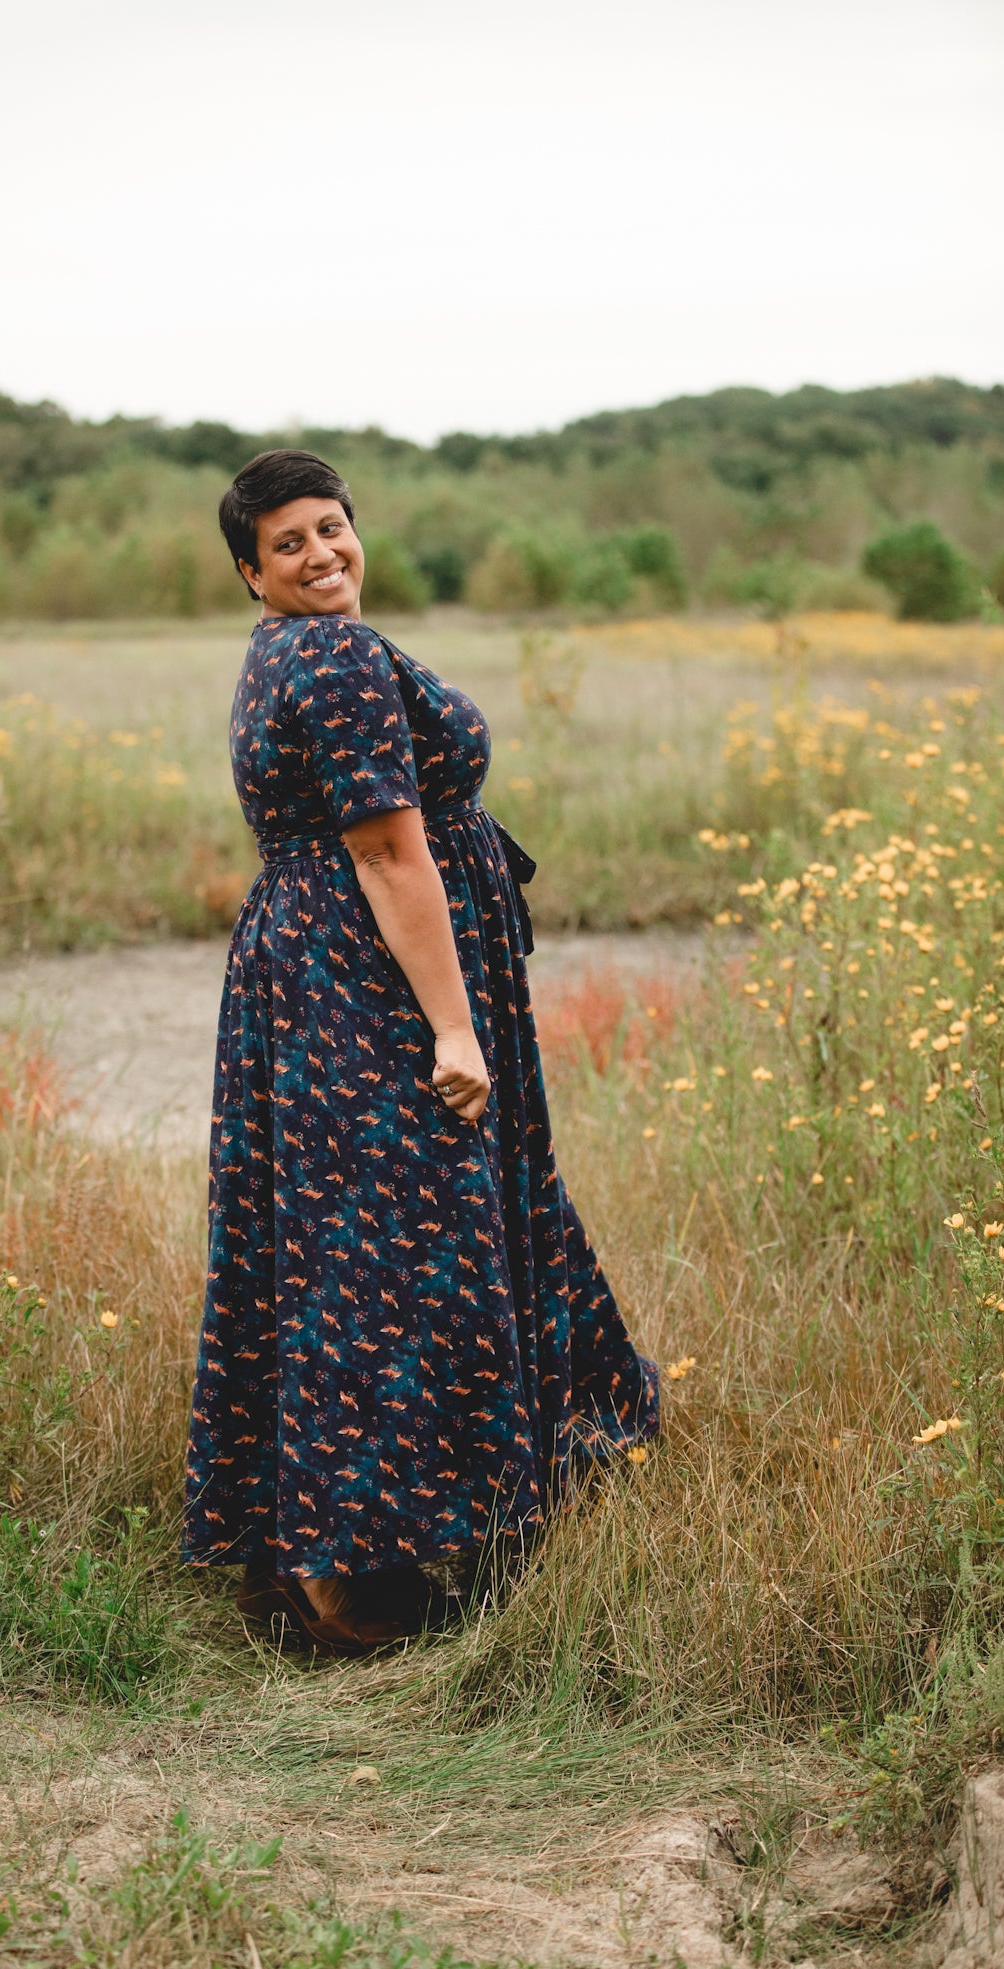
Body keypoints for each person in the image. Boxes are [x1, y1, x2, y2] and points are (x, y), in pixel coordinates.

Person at [183, 449, 658, 1653]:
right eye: (287, 542)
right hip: (369, 986)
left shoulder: (287, 652)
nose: (320, 553)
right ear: (252, 571)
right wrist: (453, 1023)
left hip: (314, 972)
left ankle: (331, 1554)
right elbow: (393, 856)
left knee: (337, 1247)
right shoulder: (333, 656)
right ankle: (356, 1580)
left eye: (332, 528)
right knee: (394, 1254)